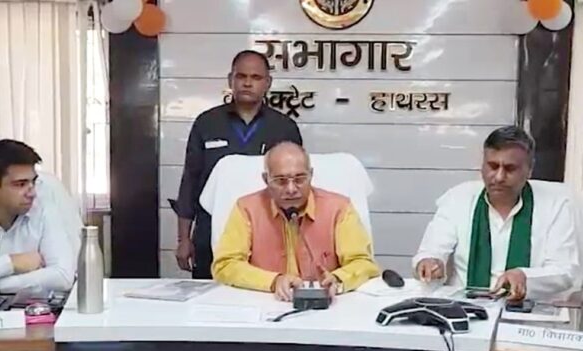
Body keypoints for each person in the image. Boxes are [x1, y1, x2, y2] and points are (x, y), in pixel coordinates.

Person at [173, 50, 303, 279]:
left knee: (265, 292)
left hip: (268, 234)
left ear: (268, 83)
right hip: (211, 233)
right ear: (230, 80)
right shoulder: (207, 123)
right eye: (241, 76)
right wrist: (184, 239)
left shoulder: (284, 127)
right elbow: (190, 182)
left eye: (256, 77)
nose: (247, 83)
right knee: (209, 297)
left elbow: (297, 188)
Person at [413, 126, 579, 301]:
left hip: (529, 310)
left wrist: (524, 276)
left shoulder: (556, 204)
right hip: (466, 308)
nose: (499, 177)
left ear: (529, 170)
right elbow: (430, 251)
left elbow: (566, 270)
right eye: (492, 166)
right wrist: (430, 262)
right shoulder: (457, 198)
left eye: (510, 168)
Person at [212, 142, 379, 301]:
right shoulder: (246, 208)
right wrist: (273, 281)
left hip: (326, 304)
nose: (291, 189)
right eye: (281, 181)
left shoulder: (339, 208)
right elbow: (225, 265)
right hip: (265, 302)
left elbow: (363, 262)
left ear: (311, 175)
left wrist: (338, 279)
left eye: (299, 179)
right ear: (266, 179)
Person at [0, 140, 76, 294]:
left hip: (32, 308)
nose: (32, 193)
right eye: (20, 184)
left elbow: (63, 275)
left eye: (33, 182)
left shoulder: (42, 207)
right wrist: (11, 263)